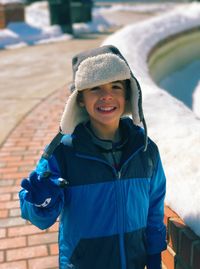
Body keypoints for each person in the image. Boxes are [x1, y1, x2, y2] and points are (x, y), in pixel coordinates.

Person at [19, 45, 167, 269]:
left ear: (128, 93)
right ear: (80, 99)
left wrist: (155, 256)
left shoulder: (146, 151)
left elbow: (154, 210)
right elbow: (39, 216)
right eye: (95, 88)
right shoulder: (62, 154)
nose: (107, 95)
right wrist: (41, 203)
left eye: (115, 86)